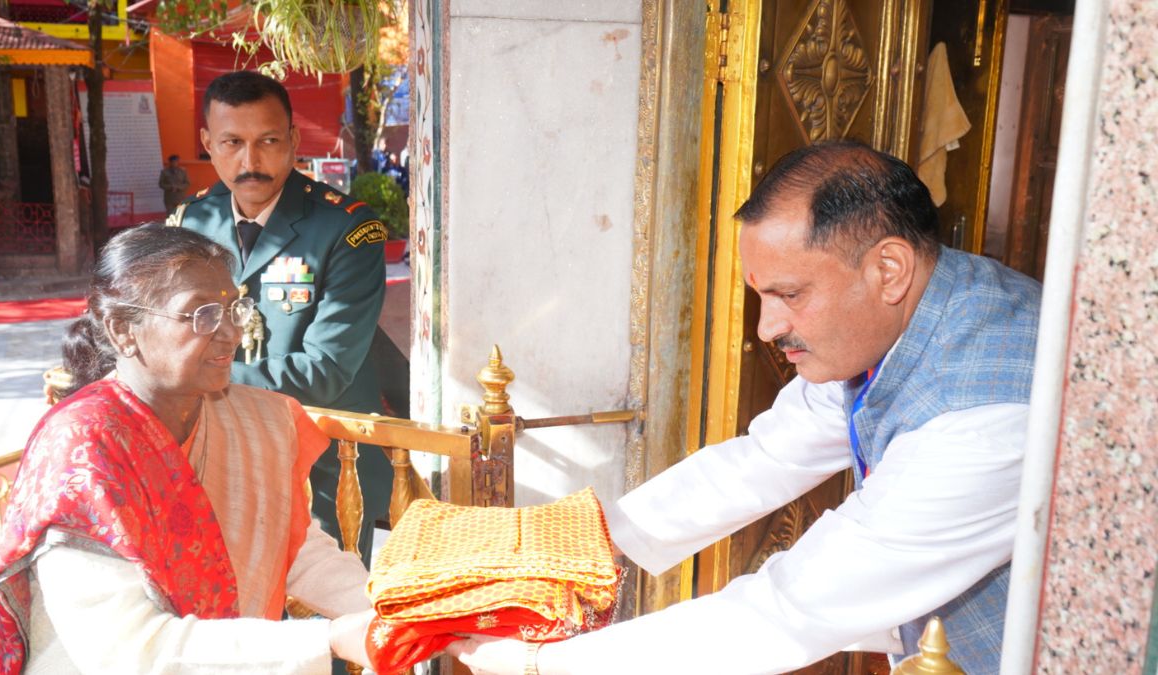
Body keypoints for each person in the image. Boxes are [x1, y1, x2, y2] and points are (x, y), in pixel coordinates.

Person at [446, 141, 1041, 675]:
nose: (767, 328)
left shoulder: (986, 420)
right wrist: (577, 543)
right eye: (761, 295)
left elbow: (792, 610)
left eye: (790, 295)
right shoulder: (904, 317)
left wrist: (539, 664)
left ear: (888, 269)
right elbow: (763, 457)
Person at [0, 225, 376, 673]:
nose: (230, 334)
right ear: (122, 330)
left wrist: (395, 613)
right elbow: (128, 650)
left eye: (234, 309)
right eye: (201, 315)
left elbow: (296, 549)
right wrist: (330, 638)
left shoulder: (258, 420)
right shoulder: (82, 451)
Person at [168, 70, 393, 565]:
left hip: (329, 467)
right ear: (208, 143)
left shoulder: (349, 229)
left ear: (292, 140)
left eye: (268, 140)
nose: (250, 161)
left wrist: (192, 379)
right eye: (232, 142)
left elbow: (325, 369)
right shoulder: (191, 224)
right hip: (225, 456)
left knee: (336, 614)